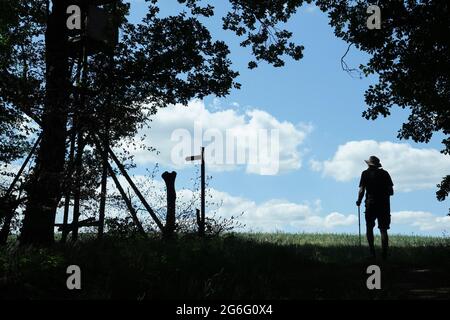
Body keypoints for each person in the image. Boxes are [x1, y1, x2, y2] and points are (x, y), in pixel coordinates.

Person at [356, 156, 394, 260]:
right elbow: (391, 192)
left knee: (369, 227)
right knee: (383, 229)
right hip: (384, 205)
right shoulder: (385, 174)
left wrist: (359, 201)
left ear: (369, 164)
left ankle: (372, 254)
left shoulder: (365, 173)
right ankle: (384, 255)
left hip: (370, 204)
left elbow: (361, 190)